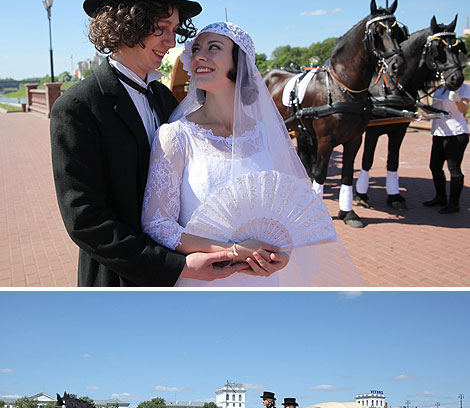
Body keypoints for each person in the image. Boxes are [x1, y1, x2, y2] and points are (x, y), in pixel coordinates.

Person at [50, 0, 251, 286]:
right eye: (161, 28)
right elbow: (86, 222)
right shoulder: (76, 107)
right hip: (120, 280)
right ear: (128, 24)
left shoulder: (164, 98)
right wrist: (176, 266)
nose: (171, 43)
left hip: (190, 276)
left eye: (174, 30)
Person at [141, 21, 362, 287]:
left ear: (238, 62)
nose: (200, 55)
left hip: (263, 280)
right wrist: (231, 251)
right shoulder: (176, 136)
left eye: (214, 48)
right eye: (197, 49)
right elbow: (157, 223)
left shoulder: (267, 134)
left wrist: (283, 254)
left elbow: (284, 211)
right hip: (204, 281)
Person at [424, 81, 470, 215]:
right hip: (439, 133)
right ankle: (440, 197)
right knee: (435, 166)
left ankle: (454, 203)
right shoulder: (440, 89)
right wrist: (417, 104)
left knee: (454, 169)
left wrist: (458, 100)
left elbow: (464, 110)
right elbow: (435, 110)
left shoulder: (464, 88)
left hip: (456, 134)